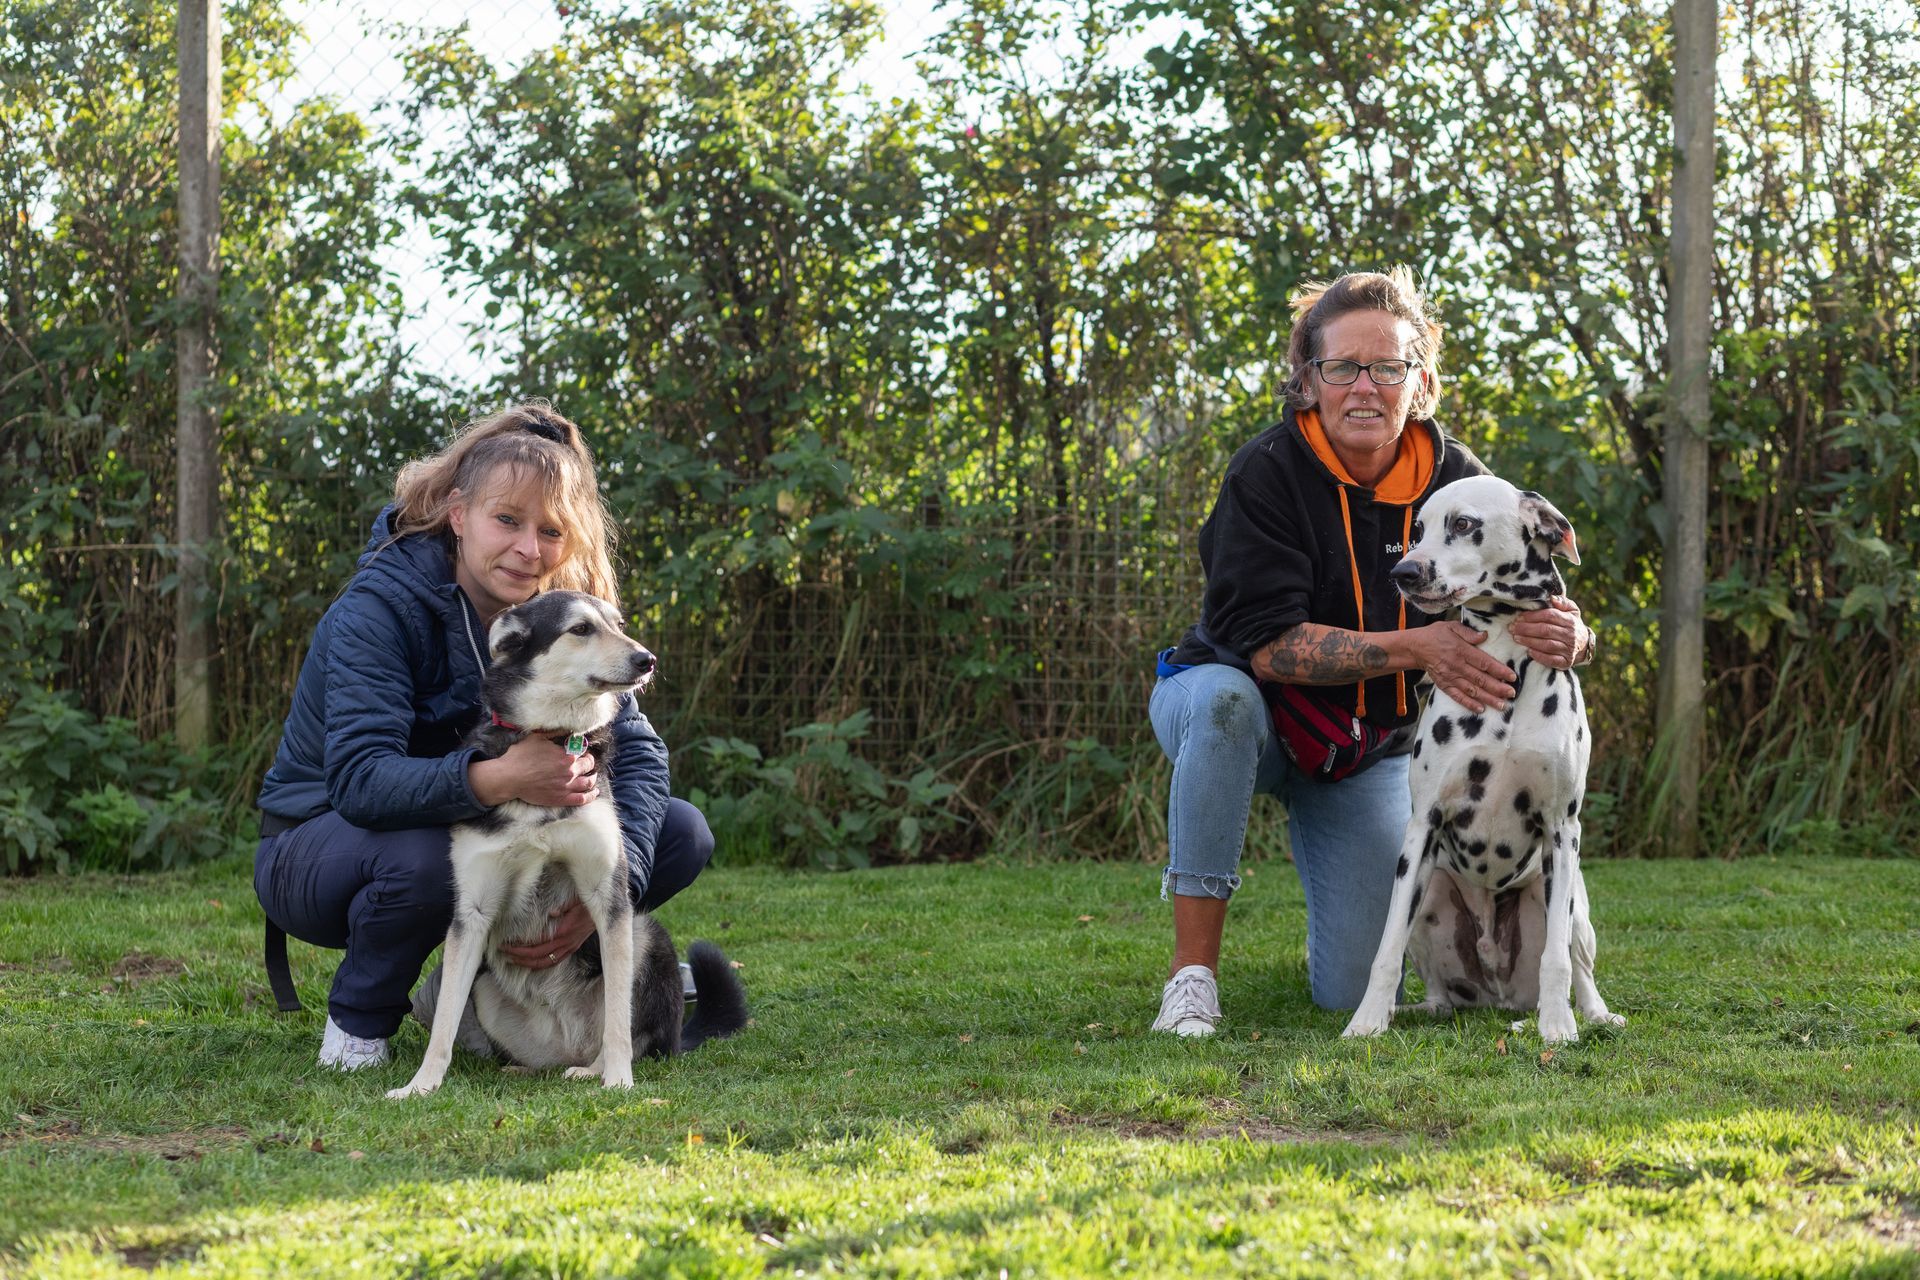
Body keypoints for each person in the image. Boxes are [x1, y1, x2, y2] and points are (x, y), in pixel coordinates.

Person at [1148, 268, 1596, 1036]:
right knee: (1222, 705)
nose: (1365, 387)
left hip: (1362, 747)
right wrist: (1417, 647)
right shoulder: (1264, 473)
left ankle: (1336, 929)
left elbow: (1527, 577)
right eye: (1342, 367)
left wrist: (1575, 634)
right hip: (1245, 710)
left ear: (1419, 382)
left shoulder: (1457, 479)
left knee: (1350, 985)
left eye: (1387, 367)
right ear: (1306, 380)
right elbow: (1269, 651)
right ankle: (1192, 979)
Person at [253, 402, 714, 1070]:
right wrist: (497, 777)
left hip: (477, 830)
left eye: (550, 530)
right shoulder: (379, 608)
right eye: (507, 520)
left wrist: (614, 890)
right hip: (320, 842)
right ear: (457, 513)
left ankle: (476, 982)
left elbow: (639, 753)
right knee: (430, 855)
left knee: (678, 830)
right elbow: (358, 779)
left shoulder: (562, 612)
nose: (530, 549)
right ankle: (359, 1023)